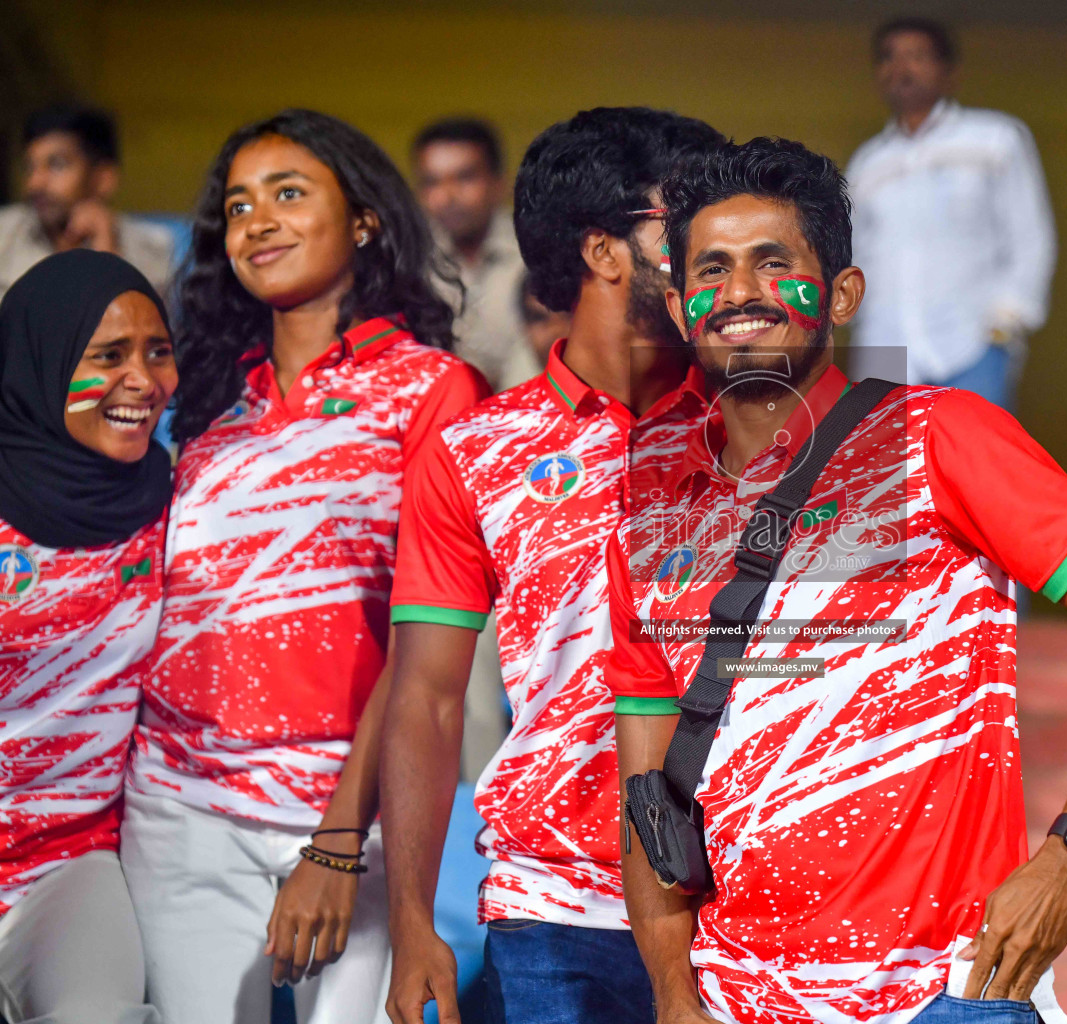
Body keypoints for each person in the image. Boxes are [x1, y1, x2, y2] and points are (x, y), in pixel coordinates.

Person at [606, 137, 1067, 1024]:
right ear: (681, 303)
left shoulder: (940, 438)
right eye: (714, 270)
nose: (739, 294)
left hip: (946, 992)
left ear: (842, 293)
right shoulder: (652, 506)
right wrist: (671, 990)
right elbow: (647, 785)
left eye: (775, 265)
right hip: (737, 1001)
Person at [121, 109, 489, 1024]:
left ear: (364, 218)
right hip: (177, 807)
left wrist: (334, 844)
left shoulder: (433, 391)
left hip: (346, 809)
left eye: (289, 194)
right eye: (238, 207)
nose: (257, 222)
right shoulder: (206, 398)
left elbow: (422, 647)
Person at [382, 106, 723, 1024]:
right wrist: (415, 920)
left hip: (748, 910)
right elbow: (427, 698)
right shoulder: (474, 452)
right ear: (605, 252)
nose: (719, 238)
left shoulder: (771, 425)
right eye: (685, 216)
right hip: (555, 910)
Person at [0, 250, 178, 1023]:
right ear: (38, 360)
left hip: (67, 862)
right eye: (108, 356)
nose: (143, 380)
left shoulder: (176, 502)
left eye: (158, 352)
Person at [845, 17, 1056, 410]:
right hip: (885, 346)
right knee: (887, 469)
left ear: (948, 71)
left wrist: (1006, 320)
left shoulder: (995, 139)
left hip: (972, 341)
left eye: (918, 56)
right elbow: (853, 254)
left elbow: (1030, 233)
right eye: (890, 58)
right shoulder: (868, 162)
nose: (902, 68)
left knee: (968, 466)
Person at [412, 117, 540, 393]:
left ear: (499, 183)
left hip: (530, 418)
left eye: (465, 177)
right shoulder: (409, 260)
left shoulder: (536, 250)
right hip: (437, 417)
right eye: (432, 182)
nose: (447, 195)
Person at [0, 105, 175, 299]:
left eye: (57, 165)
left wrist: (106, 248)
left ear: (103, 179)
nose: (35, 183)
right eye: (30, 167)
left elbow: (136, 325)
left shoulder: (150, 248)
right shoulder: (5, 235)